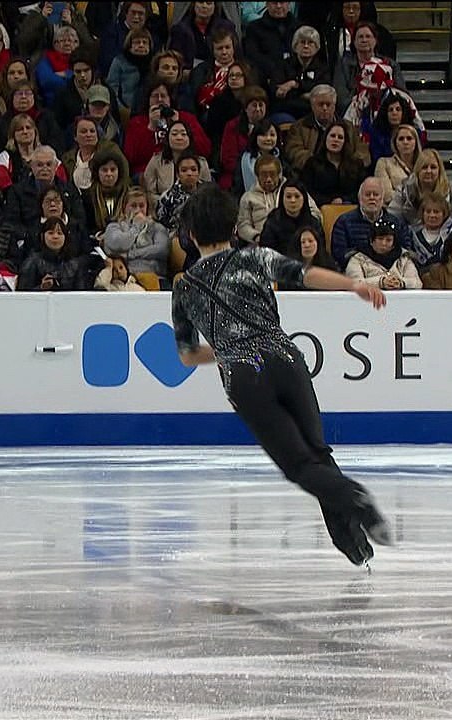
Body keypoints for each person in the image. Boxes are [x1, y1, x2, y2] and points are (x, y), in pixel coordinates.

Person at [170, 183, 393, 566]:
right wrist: (354, 285)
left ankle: (355, 497)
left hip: (244, 375)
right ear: (232, 228)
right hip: (286, 357)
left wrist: (226, 349)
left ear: (190, 236)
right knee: (318, 453)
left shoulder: (185, 287)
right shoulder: (255, 257)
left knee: (300, 466)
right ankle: (352, 543)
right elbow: (305, 274)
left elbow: (188, 356)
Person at [345, 217, 422, 290]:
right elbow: (353, 284)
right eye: (380, 239)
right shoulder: (357, 259)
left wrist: (401, 282)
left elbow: (417, 283)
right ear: (372, 241)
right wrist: (380, 282)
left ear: (393, 243)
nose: (384, 243)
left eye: (388, 240)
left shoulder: (404, 259)